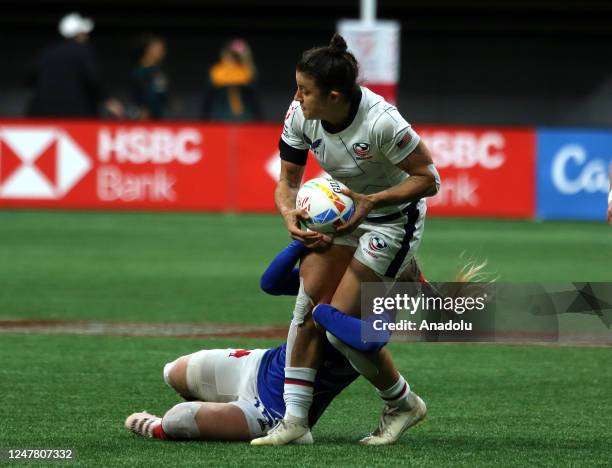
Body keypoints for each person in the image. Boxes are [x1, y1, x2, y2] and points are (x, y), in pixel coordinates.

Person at [250, 34, 440, 446]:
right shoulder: (300, 114)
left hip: (391, 222)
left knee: (337, 328)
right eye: (297, 88)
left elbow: (430, 180)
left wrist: (373, 201)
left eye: (305, 91)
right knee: (306, 306)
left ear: (334, 96)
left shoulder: (382, 123)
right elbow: (287, 182)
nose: (297, 98)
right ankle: (295, 422)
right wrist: (289, 215)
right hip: (342, 213)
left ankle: (403, 404)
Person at [124, 240, 435, 442]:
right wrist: (300, 243)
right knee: (173, 371)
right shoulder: (344, 279)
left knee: (177, 421)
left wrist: (323, 312)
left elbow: (372, 343)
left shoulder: (383, 302)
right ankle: (219, 416)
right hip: (258, 364)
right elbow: (270, 282)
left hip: (272, 411)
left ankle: (164, 426)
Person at [27, 12, 123, 118]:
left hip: (43, 114)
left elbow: (30, 79)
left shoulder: (46, 52)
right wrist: (108, 100)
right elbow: (93, 78)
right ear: (77, 34)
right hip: (77, 115)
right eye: (84, 32)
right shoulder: (83, 51)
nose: (87, 35)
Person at [201, 39, 262, 122]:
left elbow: (252, 78)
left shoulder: (243, 70)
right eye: (227, 54)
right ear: (222, 54)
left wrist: (245, 55)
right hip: (220, 117)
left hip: (244, 118)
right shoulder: (217, 70)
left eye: (233, 55)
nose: (229, 58)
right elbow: (207, 100)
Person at [130, 35, 169, 120]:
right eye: (157, 48)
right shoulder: (138, 72)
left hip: (158, 119)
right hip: (142, 119)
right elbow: (137, 95)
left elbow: (162, 94)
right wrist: (142, 110)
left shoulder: (159, 72)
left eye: (162, 49)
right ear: (148, 49)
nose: (161, 52)